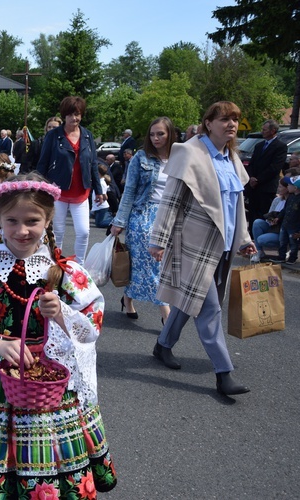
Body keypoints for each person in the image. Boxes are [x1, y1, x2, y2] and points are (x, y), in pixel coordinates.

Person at [0, 172, 116, 498]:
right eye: (11, 220)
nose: (21, 230)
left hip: (47, 384)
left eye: (32, 220)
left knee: (44, 456)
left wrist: (61, 315)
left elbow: (91, 325)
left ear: (48, 220)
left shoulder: (65, 272)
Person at [149, 101, 256, 396]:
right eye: (224, 119)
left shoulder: (231, 158)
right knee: (209, 309)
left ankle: (162, 346)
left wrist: (245, 240)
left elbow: (237, 207)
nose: (231, 125)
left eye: (235, 120)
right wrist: (158, 240)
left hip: (223, 247)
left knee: (188, 302)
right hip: (192, 246)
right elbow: (170, 202)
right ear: (208, 123)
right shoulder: (189, 152)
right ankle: (224, 374)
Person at [110, 117, 176, 324]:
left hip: (171, 216)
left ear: (170, 134)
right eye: (152, 134)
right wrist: (119, 221)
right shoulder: (141, 157)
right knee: (150, 263)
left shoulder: (181, 157)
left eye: (161, 134)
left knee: (155, 265)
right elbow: (129, 191)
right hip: (144, 215)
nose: (155, 138)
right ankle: (166, 312)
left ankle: (127, 299)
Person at [36, 96, 105, 265]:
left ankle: (80, 265)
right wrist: (38, 187)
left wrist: (99, 190)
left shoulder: (87, 136)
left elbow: (93, 164)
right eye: (71, 114)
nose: (75, 118)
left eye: (78, 114)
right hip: (57, 191)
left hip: (81, 191)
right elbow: (43, 162)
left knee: (83, 232)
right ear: (64, 115)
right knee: (57, 232)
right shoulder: (53, 135)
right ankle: (54, 263)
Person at [244, 120, 288, 234]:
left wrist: (259, 179)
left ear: (273, 131)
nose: (262, 132)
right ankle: (251, 234)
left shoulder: (280, 147)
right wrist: (252, 177)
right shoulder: (259, 146)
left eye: (265, 130)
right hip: (254, 187)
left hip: (266, 186)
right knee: (252, 212)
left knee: (263, 212)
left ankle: (262, 235)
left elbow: (275, 167)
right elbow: (252, 163)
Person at [251, 176, 289, 262]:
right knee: (257, 222)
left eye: (280, 187)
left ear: (287, 188)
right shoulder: (277, 200)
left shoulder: (291, 201)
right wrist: (271, 219)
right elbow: (269, 214)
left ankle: (285, 249)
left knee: (261, 239)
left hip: (282, 231)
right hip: (273, 227)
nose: (278, 189)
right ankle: (259, 251)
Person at [270, 177, 300, 264]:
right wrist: (278, 217)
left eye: (290, 185)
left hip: (294, 226)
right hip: (285, 224)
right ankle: (281, 256)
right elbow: (284, 209)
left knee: (293, 243)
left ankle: (292, 257)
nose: (288, 186)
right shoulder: (290, 197)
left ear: (296, 188)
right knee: (282, 241)